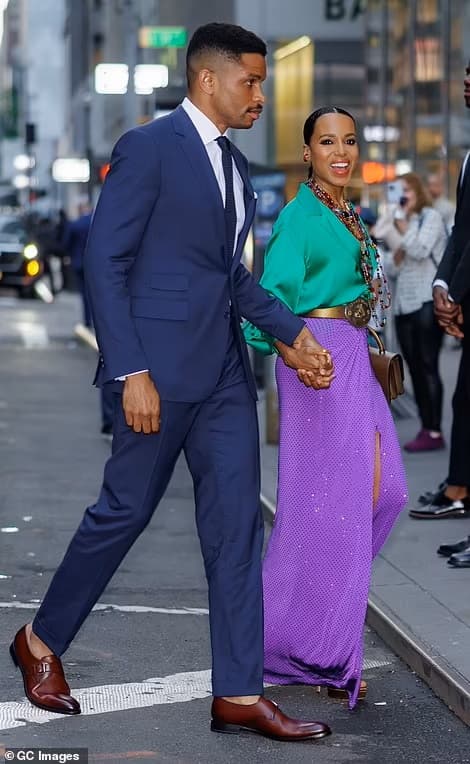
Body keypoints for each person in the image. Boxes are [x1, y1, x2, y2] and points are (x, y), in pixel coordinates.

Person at [9, 23, 334, 742]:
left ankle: (240, 694)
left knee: (236, 531)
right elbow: (106, 263)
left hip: (223, 377)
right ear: (207, 80)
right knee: (122, 514)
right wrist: (130, 370)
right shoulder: (148, 149)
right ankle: (39, 640)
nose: (260, 95)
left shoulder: (237, 167)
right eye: (250, 82)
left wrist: (292, 332)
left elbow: (228, 277)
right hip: (157, 373)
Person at [243, 106, 408, 708]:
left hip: (355, 356)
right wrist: (296, 352)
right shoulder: (300, 218)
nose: (341, 151)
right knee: (332, 507)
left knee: (383, 492)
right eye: (326, 142)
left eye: (349, 141)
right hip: (319, 363)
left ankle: (305, 636)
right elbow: (263, 306)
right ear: (306, 151)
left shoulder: (349, 214)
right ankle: (329, 652)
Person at [409, 60, 470, 560]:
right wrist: (445, 287)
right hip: (463, 302)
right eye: (465, 72)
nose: (466, 81)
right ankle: (459, 493)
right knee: (464, 404)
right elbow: (463, 236)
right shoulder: (469, 159)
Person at [372, 173, 448, 452]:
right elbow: (391, 265)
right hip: (404, 305)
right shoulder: (396, 221)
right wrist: (397, 229)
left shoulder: (430, 217)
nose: (403, 196)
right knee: (414, 367)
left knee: (428, 366)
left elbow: (419, 249)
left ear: (418, 191)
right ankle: (426, 427)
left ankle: (435, 429)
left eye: (407, 191)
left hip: (427, 301)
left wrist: (402, 227)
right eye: (398, 191)